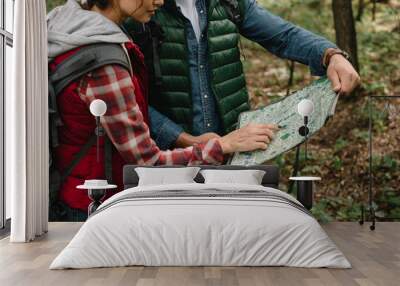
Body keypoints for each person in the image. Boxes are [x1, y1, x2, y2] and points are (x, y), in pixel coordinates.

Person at [47, 0, 278, 221]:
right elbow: (149, 164)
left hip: (77, 193)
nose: (160, 1)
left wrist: (193, 142)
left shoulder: (70, 28)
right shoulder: (103, 65)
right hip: (95, 205)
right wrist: (223, 145)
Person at [123, 0, 361, 150]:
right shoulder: (138, 10)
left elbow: (283, 36)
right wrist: (184, 139)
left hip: (234, 150)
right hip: (167, 159)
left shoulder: (229, 3)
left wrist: (330, 55)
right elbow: (126, 98)